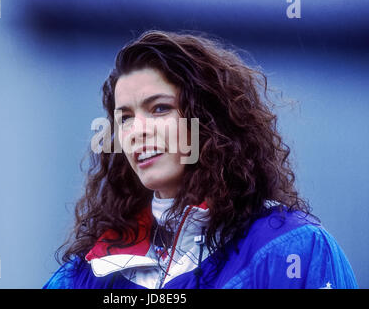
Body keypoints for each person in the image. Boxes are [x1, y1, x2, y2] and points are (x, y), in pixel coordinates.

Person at [43, 30, 358, 289]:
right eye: (125, 118)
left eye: (160, 108)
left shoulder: (294, 249)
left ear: (209, 120)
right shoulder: (88, 274)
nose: (136, 131)